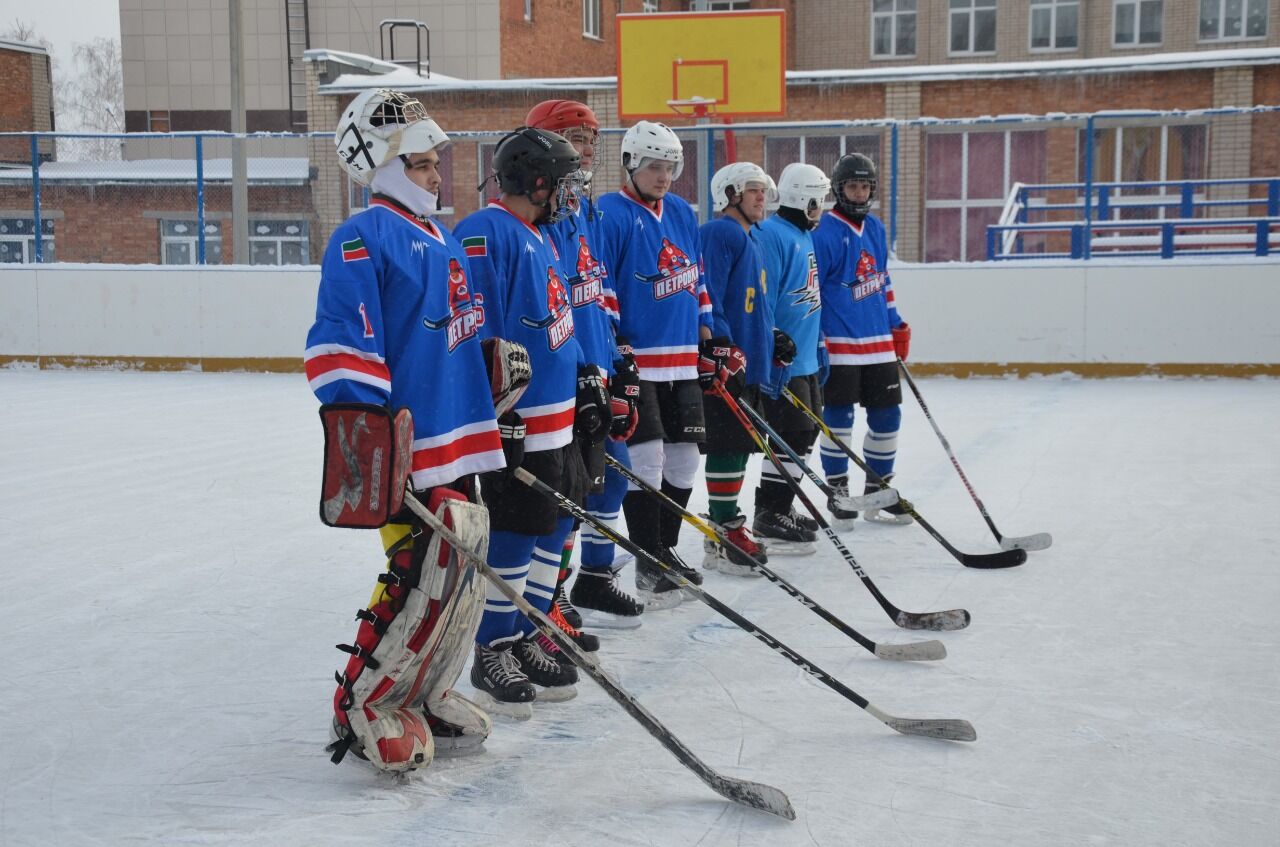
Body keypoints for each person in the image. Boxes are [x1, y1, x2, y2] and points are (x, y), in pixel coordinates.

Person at [305, 89, 509, 770]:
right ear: (385, 167)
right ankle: (365, 699)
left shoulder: (441, 236)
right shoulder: (362, 238)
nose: (435, 175)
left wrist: (494, 371)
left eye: (434, 163)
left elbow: (458, 329)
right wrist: (367, 432)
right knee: (416, 571)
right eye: (420, 164)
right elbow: (340, 342)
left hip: (459, 433)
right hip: (410, 447)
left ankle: (424, 687)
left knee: (461, 575)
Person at [454, 126, 610, 718]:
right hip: (519, 417)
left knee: (554, 524)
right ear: (536, 182)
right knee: (517, 531)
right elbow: (474, 327)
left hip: (558, 411)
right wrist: (497, 412)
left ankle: (529, 630)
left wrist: (586, 375)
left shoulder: (539, 233)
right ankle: (492, 647)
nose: (572, 195)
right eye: (564, 182)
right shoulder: (483, 232)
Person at [523, 100, 646, 631]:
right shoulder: (539, 218)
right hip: (562, 375)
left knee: (610, 480)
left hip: (597, 365)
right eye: (577, 136)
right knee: (564, 493)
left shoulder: (583, 211)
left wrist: (620, 358)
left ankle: (591, 579)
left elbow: (600, 291)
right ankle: (547, 593)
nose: (589, 147)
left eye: (593, 138)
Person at [594, 121, 726, 608]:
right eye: (654, 166)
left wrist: (708, 335)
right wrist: (617, 347)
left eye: (670, 167)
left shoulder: (682, 214)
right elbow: (601, 283)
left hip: (682, 358)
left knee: (686, 458)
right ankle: (649, 558)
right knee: (645, 460)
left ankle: (663, 549)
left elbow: (697, 278)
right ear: (631, 163)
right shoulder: (609, 213)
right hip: (639, 360)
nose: (664, 176)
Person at [812, 153, 912, 526]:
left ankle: (878, 490)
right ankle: (838, 492)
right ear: (839, 189)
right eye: (852, 186)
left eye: (865, 186)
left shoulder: (876, 229)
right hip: (839, 349)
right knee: (838, 418)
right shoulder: (823, 233)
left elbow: (882, 281)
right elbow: (813, 293)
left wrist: (895, 322)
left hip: (878, 346)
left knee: (889, 416)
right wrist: (816, 340)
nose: (859, 193)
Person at [696, 161, 780, 576]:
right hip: (728, 362)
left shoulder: (753, 237)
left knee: (741, 449)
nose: (760, 196)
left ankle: (724, 527)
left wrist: (771, 337)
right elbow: (706, 290)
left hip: (749, 360)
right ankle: (723, 532)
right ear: (729, 194)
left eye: (763, 189)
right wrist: (722, 345)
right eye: (752, 189)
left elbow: (754, 301)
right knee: (728, 445)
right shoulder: (720, 232)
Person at [753, 162, 833, 552]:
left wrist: (819, 345)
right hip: (784, 360)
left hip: (806, 358)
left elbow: (809, 293)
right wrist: (770, 346)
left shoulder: (803, 234)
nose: (823, 210)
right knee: (788, 434)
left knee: (804, 433)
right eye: (819, 202)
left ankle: (781, 504)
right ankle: (769, 512)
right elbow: (764, 295)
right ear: (807, 199)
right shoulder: (773, 234)